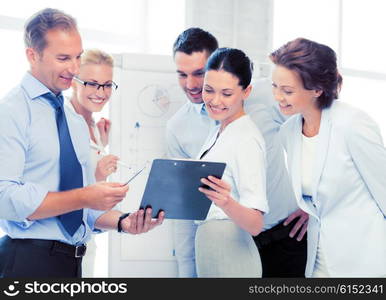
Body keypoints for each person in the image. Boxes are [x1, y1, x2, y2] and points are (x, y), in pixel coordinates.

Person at [0, 8, 163, 278]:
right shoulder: (12, 111)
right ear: (32, 55)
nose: (74, 68)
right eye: (63, 58)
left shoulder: (73, 121)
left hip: (72, 264)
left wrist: (124, 222)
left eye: (77, 56)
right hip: (26, 262)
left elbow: (80, 210)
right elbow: (3, 197)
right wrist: (85, 195)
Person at [167, 27, 307, 278]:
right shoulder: (180, 127)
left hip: (284, 236)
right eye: (182, 74)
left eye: (199, 73)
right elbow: (187, 212)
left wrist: (312, 201)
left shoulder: (265, 96)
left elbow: (316, 123)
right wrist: (187, 275)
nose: (191, 85)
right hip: (227, 247)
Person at [271, 37, 386, 277]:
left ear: (317, 89)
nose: (278, 97)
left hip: (366, 257)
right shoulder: (288, 132)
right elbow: (318, 184)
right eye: (275, 86)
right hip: (319, 258)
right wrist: (309, 206)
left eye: (288, 90)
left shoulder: (353, 125)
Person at [195, 47, 268, 277]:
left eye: (226, 94)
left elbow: (256, 223)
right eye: (209, 90)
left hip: (232, 255)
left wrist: (226, 202)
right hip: (211, 250)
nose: (215, 101)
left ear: (246, 91)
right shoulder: (218, 131)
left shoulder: (246, 138)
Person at [68, 49, 120, 277]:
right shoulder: (64, 122)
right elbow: (62, 190)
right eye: (92, 83)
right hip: (59, 250)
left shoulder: (95, 127)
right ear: (73, 82)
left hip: (86, 245)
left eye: (108, 85)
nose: (101, 92)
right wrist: (98, 176)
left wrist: (101, 145)